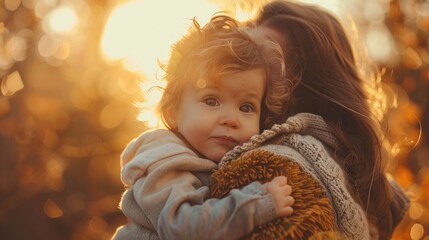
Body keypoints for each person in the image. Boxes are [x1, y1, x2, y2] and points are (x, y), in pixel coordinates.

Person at [212, 1, 410, 239]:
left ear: (300, 91)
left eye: (263, 60)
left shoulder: (270, 172)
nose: (237, 66)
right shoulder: (350, 173)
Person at [112, 15, 295, 240]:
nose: (231, 119)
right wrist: (258, 202)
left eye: (246, 107)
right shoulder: (166, 159)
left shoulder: (207, 156)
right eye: (211, 101)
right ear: (172, 111)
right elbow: (181, 229)